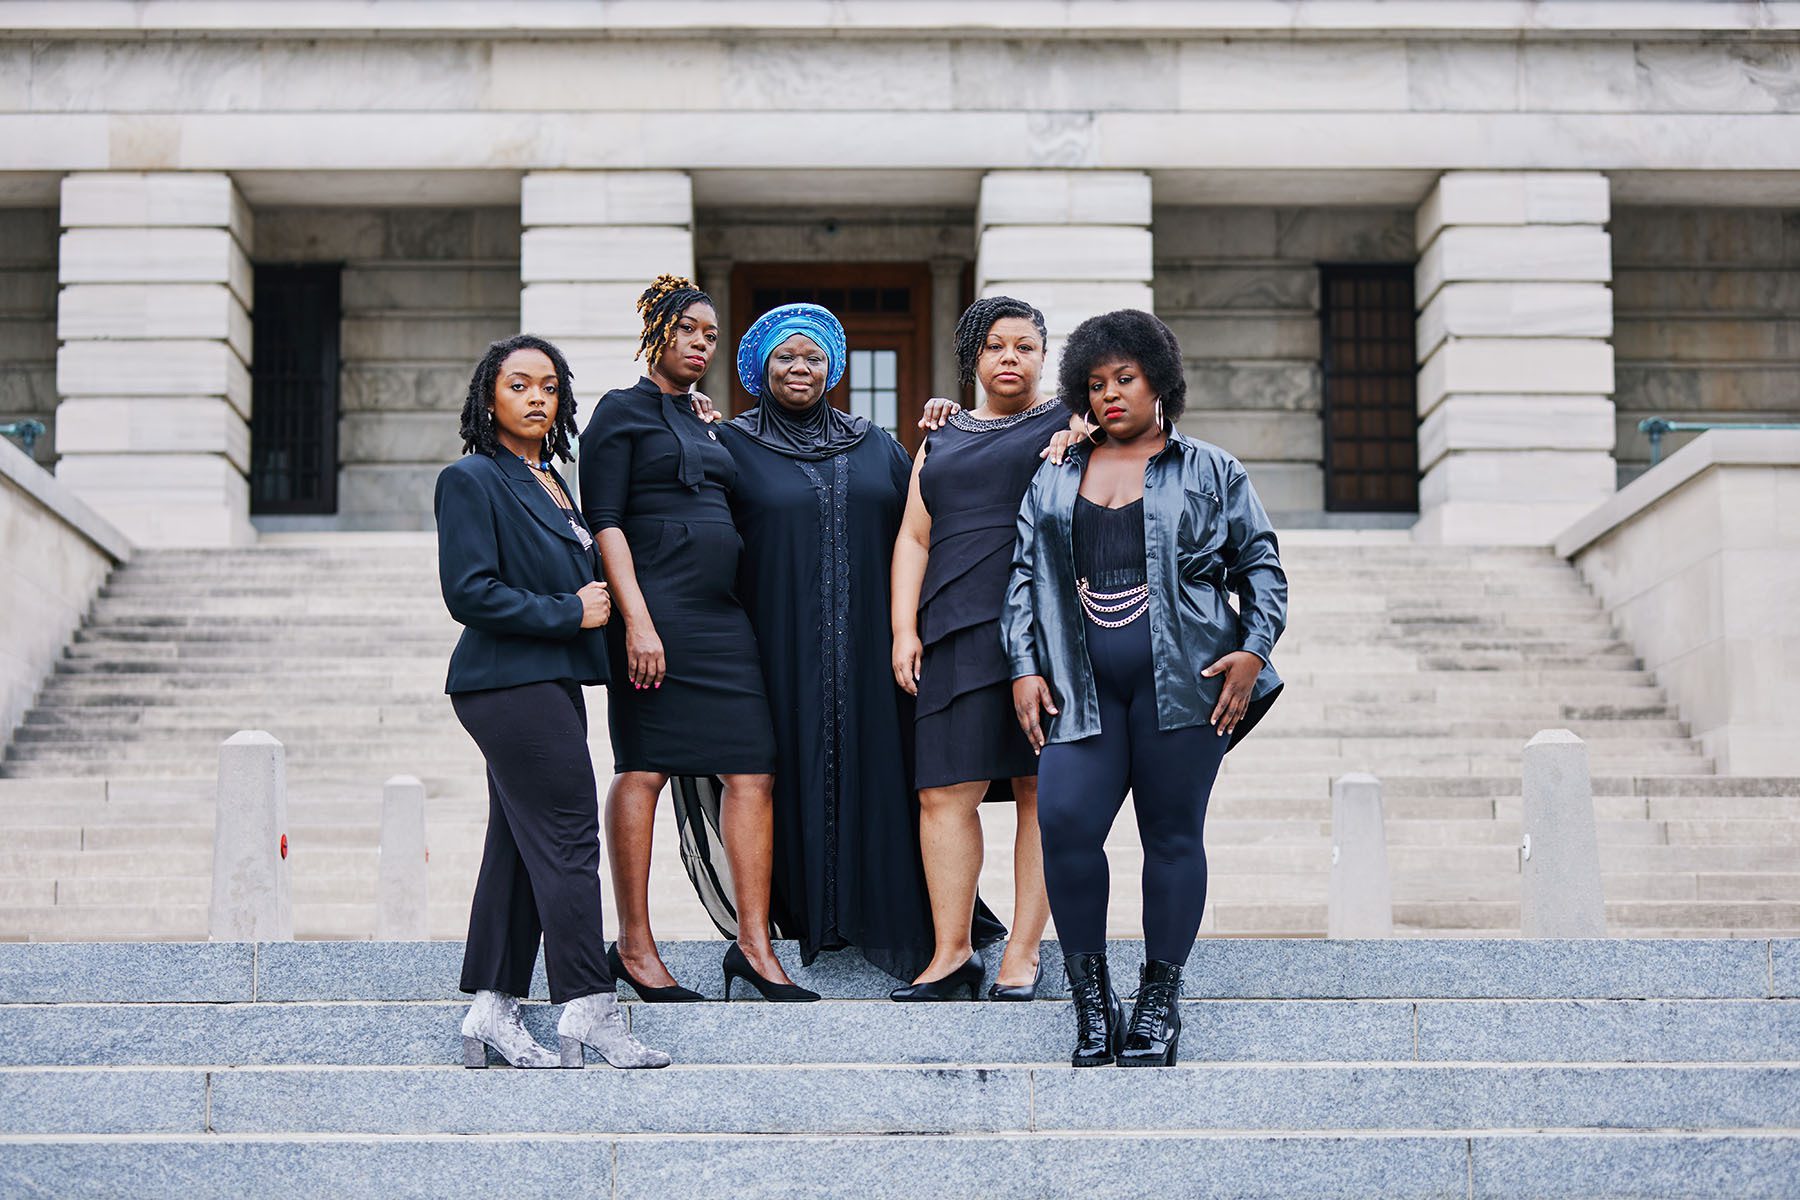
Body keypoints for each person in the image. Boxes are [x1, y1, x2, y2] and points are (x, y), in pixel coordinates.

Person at [1004, 309, 1287, 1068]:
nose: (1110, 396)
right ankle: (1092, 1002)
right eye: (1095, 384)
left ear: (1158, 380)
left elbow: (1260, 566)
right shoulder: (1057, 470)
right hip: (1078, 687)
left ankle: (1160, 1000)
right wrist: (1024, 666)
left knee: (1170, 837)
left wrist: (1253, 651)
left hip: (1185, 688)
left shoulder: (1212, 470)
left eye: (1124, 379)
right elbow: (1025, 579)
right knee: (1065, 826)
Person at [672, 302, 942, 980]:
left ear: (834, 366)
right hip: (771, 651)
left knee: (880, 773)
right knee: (776, 779)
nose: (801, 367)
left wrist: (953, 421)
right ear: (760, 367)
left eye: (814, 356)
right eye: (786, 356)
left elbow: (928, 525)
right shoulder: (728, 443)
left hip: (873, 658)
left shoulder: (878, 444)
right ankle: (790, 923)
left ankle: (876, 915)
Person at [436, 333, 669, 1069]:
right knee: (571, 839)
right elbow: (468, 592)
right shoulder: (472, 479)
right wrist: (570, 612)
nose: (537, 398)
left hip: (547, 682)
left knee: (516, 847)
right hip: (506, 681)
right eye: (518, 385)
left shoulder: (552, 480)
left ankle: (491, 1011)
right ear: (489, 398)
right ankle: (590, 1008)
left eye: (549, 386)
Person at [580, 277, 815, 1003]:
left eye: (710, 336)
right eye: (688, 330)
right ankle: (635, 946)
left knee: (753, 771)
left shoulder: (709, 423)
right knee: (645, 768)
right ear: (656, 330)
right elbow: (606, 521)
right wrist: (637, 620)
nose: (700, 344)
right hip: (659, 616)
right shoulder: (618, 415)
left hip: (722, 619)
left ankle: (753, 945)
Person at [888, 297, 1062, 1001]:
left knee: (1039, 790)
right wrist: (903, 627)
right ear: (974, 360)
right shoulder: (941, 437)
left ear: (1044, 358)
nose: (1011, 357)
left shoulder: (1069, 424)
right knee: (942, 794)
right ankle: (952, 952)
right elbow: (913, 538)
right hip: (952, 628)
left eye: (1025, 345)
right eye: (995, 346)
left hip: (1044, 631)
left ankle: (1021, 951)